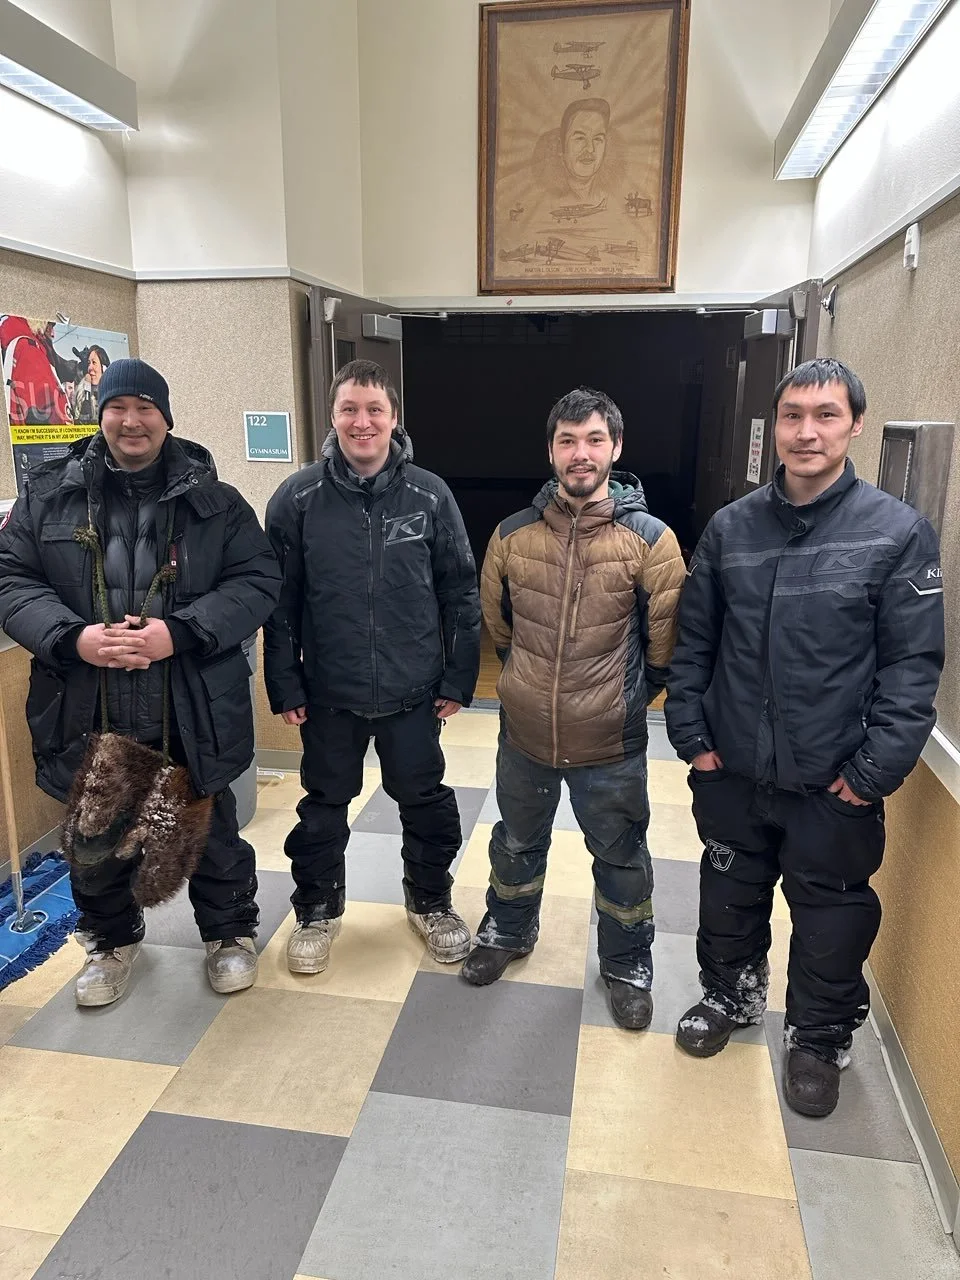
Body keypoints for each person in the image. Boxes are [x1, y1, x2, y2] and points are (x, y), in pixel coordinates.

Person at [665, 358, 944, 1116]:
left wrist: (871, 773)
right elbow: (695, 645)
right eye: (793, 415)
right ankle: (730, 995)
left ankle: (818, 1038)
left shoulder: (896, 533)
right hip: (732, 768)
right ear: (776, 426)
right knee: (729, 889)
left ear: (855, 425)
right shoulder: (731, 529)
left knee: (831, 916)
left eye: (826, 416)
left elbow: (912, 669)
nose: (807, 431)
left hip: (835, 781)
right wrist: (694, 738)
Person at [0, 358, 281, 1006]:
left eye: (144, 408)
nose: (131, 421)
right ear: (100, 414)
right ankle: (111, 942)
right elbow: (11, 578)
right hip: (86, 709)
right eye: (117, 407)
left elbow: (258, 579)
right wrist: (72, 638)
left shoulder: (216, 502)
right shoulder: (49, 495)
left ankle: (229, 934)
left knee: (211, 837)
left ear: (166, 417)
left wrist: (178, 632)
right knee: (93, 842)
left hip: (188, 708)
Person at [461, 387, 686, 1030]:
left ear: (616, 447)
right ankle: (508, 930)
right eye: (567, 440)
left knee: (621, 857)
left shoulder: (651, 541)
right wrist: (526, 685)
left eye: (594, 439)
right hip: (524, 733)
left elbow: (665, 643)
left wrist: (626, 698)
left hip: (609, 740)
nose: (580, 453)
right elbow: (498, 626)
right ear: (551, 451)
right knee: (514, 841)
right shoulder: (512, 536)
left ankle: (626, 963)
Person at [263, 359, 481, 974]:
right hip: (329, 692)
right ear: (333, 418)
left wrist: (458, 677)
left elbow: (460, 592)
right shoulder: (298, 498)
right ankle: (316, 911)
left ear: (394, 418)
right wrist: (285, 681)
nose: (363, 422)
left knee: (425, 800)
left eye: (374, 409)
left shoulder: (429, 495)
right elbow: (277, 603)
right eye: (349, 410)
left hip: (415, 691)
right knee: (323, 805)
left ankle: (431, 902)